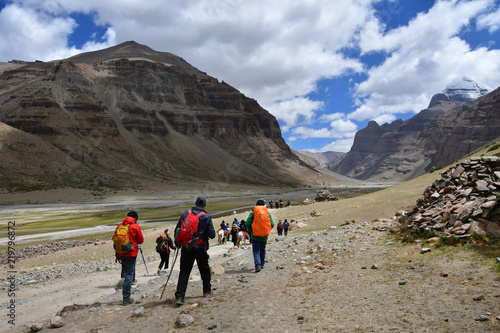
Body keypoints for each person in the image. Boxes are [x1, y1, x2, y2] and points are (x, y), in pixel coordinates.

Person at [174, 196, 215, 306]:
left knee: (184, 271)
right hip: (200, 248)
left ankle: (180, 296)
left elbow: (178, 229)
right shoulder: (206, 216)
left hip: (186, 247)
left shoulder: (185, 214)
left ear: (195, 203)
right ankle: (207, 291)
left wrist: (177, 242)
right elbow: (212, 235)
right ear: (205, 205)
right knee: (204, 269)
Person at [113, 211, 144, 305]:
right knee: (129, 275)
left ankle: (124, 293)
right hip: (131, 253)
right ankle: (126, 298)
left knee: (125, 271)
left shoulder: (119, 226)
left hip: (120, 253)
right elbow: (141, 240)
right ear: (135, 218)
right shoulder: (135, 226)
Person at [245, 199, 274, 272]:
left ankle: (258, 265)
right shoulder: (267, 212)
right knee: (263, 249)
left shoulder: (253, 212)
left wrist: (252, 230)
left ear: (256, 205)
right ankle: (262, 264)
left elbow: (247, 223)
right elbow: (272, 224)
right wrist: (267, 229)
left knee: (256, 250)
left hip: (255, 235)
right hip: (264, 236)